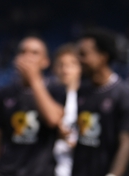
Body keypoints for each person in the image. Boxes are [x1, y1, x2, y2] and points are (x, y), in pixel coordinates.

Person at [0, 36, 66, 176]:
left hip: (41, 172)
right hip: (8, 171)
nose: (27, 56)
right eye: (22, 52)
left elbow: (53, 119)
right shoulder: (5, 93)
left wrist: (34, 80)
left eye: (34, 53)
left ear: (45, 62)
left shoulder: (55, 89)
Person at [72, 29, 129, 176]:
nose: (78, 59)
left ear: (103, 57)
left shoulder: (124, 94)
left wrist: (114, 174)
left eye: (84, 54)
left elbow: (126, 141)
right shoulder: (81, 91)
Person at [53, 44, 81, 176]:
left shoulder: (88, 99)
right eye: (61, 65)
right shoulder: (47, 98)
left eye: (71, 64)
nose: (65, 70)